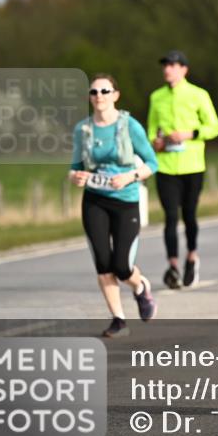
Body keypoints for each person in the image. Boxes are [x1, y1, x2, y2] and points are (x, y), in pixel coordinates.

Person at [70, 74, 158, 338]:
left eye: (105, 91)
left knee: (122, 266)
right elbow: (75, 168)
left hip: (126, 200)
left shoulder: (130, 126)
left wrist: (129, 176)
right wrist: (76, 177)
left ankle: (140, 287)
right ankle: (118, 320)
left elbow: (152, 163)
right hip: (95, 200)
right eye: (94, 92)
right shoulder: (82, 129)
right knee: (102, 263)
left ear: (115, 95)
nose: (99, 96)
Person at [147, 50, 218, 289]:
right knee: (170, 217)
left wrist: (190, 134)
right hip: (166, 166)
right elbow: (150, 129)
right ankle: (173, 265)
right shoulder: (156, 97)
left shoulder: (198, 95)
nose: (168, 69)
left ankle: (191, 256)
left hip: (192, 165)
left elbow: (214, 127)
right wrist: (155, 142)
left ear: (184, 70)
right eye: (165, 65)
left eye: (173, 65)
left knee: (189, 215)